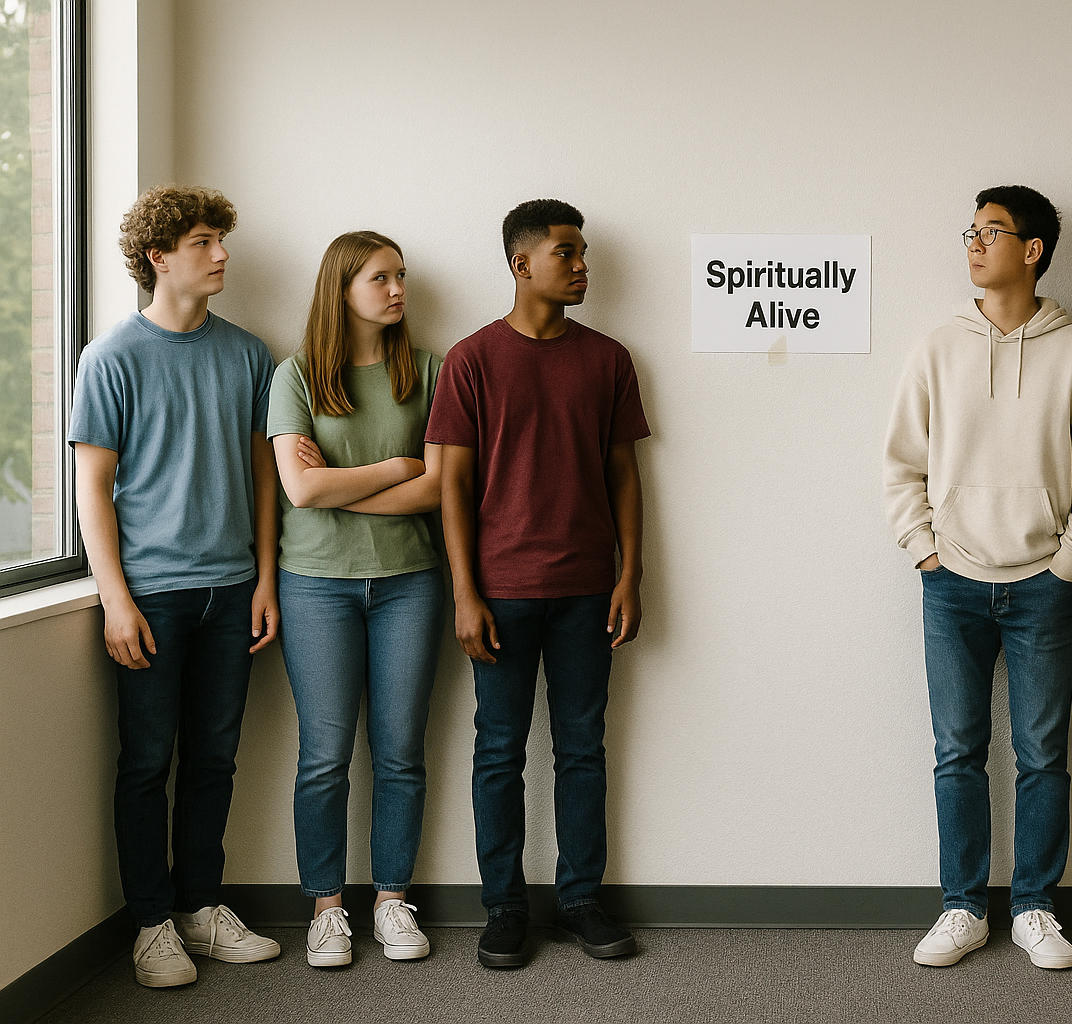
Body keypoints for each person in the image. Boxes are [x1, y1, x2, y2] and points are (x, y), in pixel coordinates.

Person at [884, 185, 1072, 969]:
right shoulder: (938, 346)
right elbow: (901, 463)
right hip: (950, 581)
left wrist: (1068, 563)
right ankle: (962, 907)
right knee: (958, 751)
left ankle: (1034, 907)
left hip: (1045, 584)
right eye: (971, 231)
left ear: (1033, 250)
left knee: (1043, 755)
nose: (975, 244)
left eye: (992, 232)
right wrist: (923, 548)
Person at [427, 199, 650, 968]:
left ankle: (581, 899)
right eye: (567, 253)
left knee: (583, 749)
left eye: (584, 253)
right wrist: (465, 593)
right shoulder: (471, 360)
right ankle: (504, 906)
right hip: (501, 593)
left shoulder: (609, 360)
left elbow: (624, 475)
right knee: (499, 752)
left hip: (587, 589)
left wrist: (630, 574)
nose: (583, 266)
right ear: (522, 264)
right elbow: (452, 486)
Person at [69, 186, 282, 988]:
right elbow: (93, 488)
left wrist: (265, 578)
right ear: (158, 256)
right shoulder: (110, 357)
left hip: (232, 590)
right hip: (152, 595)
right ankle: (152, 926)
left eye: (221, 239)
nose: (222, 254)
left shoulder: (249, 354)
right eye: (203, 242)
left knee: (215, 760)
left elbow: (264, 477)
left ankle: (200, 908)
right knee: (146, 763)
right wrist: (115, 599)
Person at [267, 231, 444, 967]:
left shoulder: (428, 370)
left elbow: (439, 487)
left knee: (400, 752)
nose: (398, 289)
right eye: (380, 278)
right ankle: (327, 908)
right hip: (316, 585)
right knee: (324, 755)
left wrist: (344, 488)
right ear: (340, 289)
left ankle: (393, 900)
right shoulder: (297, 375)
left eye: (401, 276)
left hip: (410, 582)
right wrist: (396, 467)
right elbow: (299, 489)